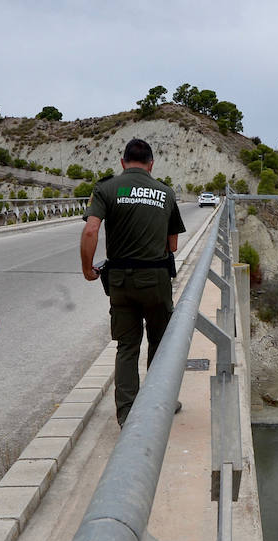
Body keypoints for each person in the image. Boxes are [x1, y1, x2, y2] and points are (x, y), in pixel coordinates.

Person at [80, 138, 186, 425]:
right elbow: (173, 245)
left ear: (123, 162)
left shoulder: (106, 188)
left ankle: (127, 414)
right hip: (156, 279)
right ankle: (159, 404)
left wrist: (87, 268)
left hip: (120, 281)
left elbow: (91, 231)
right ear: (151, 164)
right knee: (159, 342)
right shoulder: (165, 193)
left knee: (127, 346)